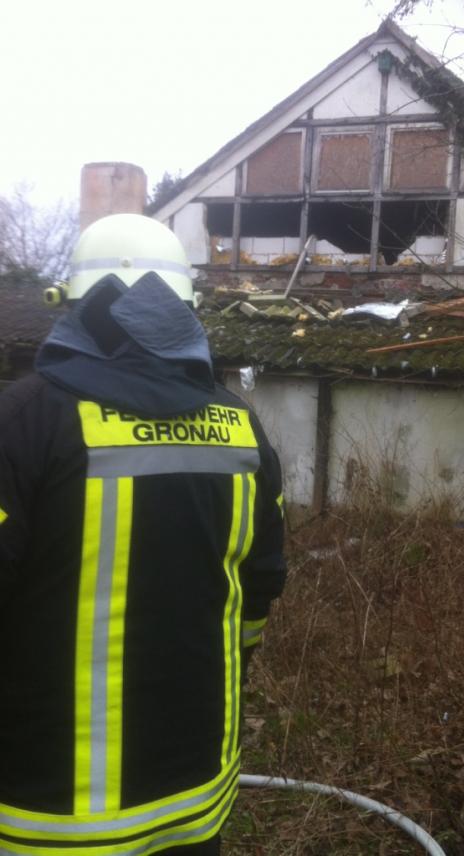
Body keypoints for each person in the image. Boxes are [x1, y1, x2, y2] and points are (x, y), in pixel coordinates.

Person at [0, 214, 287, 855]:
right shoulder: (242, 428)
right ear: (184, 311)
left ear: (71, 307)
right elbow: (261, 585)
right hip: (195, 801)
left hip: (51, 815)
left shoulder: (23, 423)